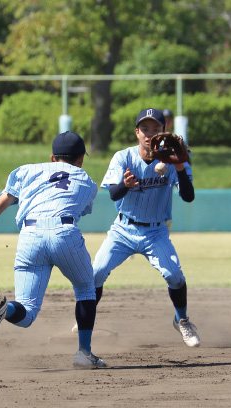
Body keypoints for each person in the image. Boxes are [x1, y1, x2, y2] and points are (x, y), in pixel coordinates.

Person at [0, 131, 107, 369]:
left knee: (27, 313)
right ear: (81, 159)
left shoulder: (26, 171)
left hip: (29, 236)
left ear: (52, 158)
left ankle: (5, 309)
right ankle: (84, 353)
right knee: (86, 289)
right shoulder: (87, 181)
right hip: (64, 232)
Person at [91, 107, 200, 347]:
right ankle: (84, 320)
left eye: (155, 129)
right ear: (137, 132)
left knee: (175, 276)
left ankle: (182, 320)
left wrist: (180, 166)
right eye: (145, 129)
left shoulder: (174, 159)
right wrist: (125, 185)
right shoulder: (123, 157)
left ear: (164, 131)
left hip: (155, 231)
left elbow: (189, 197)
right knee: (95, 273)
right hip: (123, 229)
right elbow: (113, 194)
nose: (150, 134)